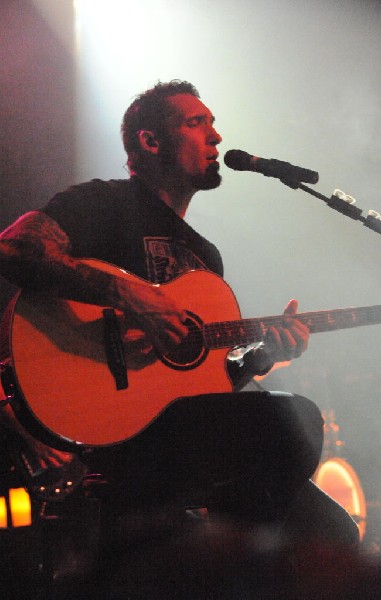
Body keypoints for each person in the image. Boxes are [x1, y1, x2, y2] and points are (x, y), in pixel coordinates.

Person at [0, 80, 358, 569]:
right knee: (285, 422)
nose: (215, 137)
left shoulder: (206, 259)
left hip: (171, 429)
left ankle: (231, 558)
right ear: (150, 142)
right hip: (109, 431)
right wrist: (128, 294)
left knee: (333, 534)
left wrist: (261, 358)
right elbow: (14, 249)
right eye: (196, 123)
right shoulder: (102, 203)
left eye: (213, 124)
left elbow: (198, 382)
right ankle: (234, 561)